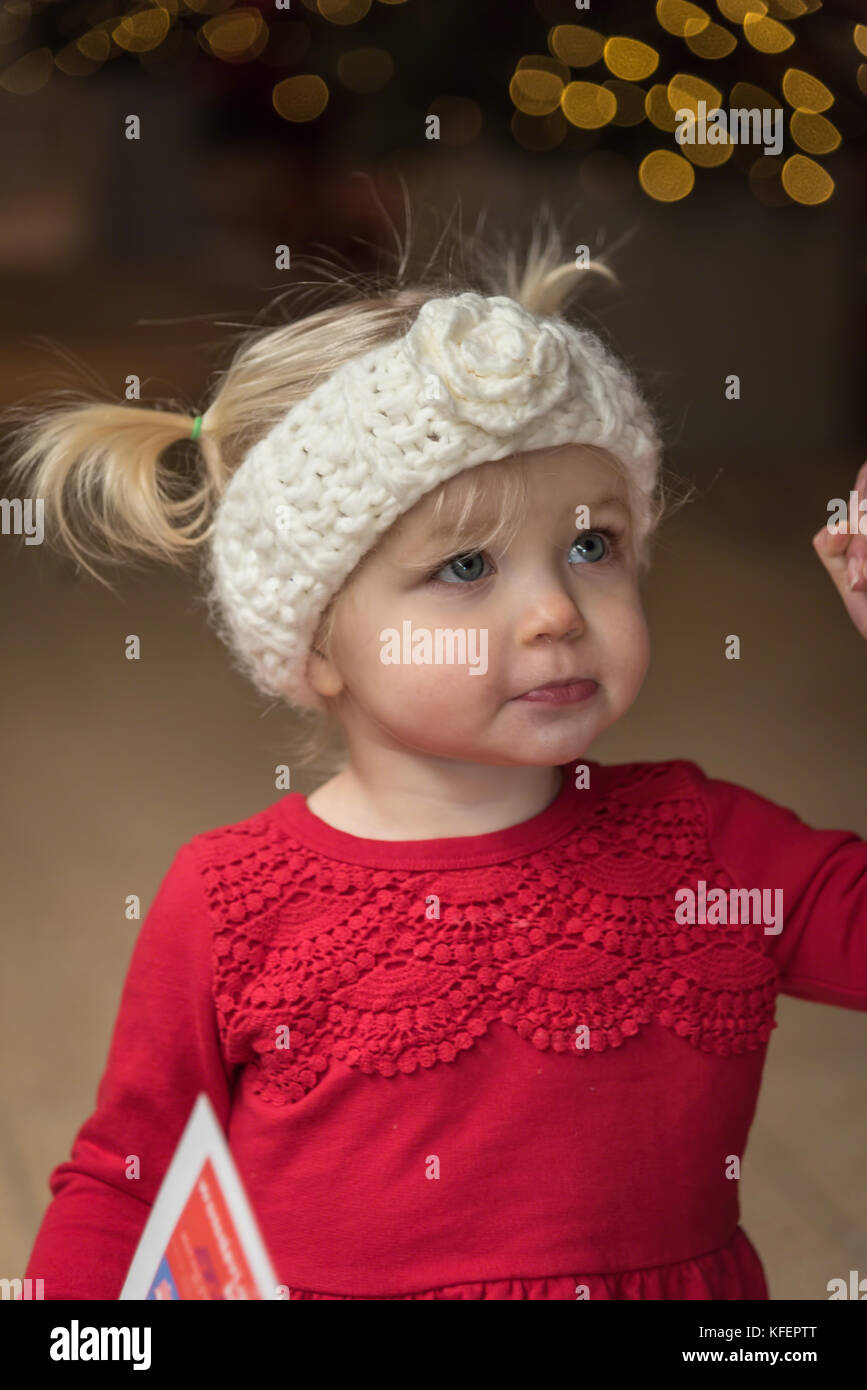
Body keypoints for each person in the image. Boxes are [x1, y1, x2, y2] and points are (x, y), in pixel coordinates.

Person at [9, 212, 867, 1300]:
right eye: (466, 565)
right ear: (321, 641)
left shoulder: (717, 852)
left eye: (592, 544)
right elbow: (122, 1182)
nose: (556, 609)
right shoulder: (232, 901)